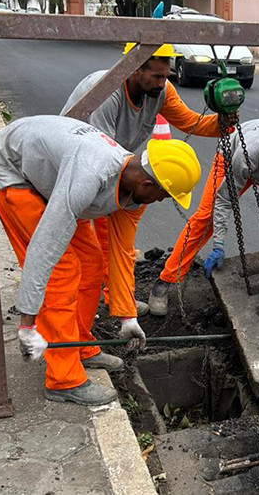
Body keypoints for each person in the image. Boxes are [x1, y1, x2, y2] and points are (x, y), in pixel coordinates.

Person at [0, 115, 201, 405]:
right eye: (164, 195)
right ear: (148, 183)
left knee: (90, 261)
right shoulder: (89, 178)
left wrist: (128, 315)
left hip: (50, 173)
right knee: (62, 271)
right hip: (13, 172)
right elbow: (42, 250)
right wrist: (27, 325)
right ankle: (63, 380)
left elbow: (120, 251)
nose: (163, 201)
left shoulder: (133, 189)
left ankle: (79, 345)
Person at [61, 43, 238, 315]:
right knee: (85, 256)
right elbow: (99, 153)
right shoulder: (105, 92)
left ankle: (121, 307)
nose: (162, 82)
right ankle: (71, 322)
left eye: (165, 75)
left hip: (121, 173)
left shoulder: (162, 91)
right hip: (79, 171)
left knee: (121, 246)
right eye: (156, 76)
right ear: (133, 68)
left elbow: (191, 122)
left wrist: (222, 123)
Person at [149, 118, 259, 316]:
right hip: (232, 161)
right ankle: (165, 281)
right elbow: (224, 201)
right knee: (206, 217)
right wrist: (218, 245)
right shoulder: (247, 154)